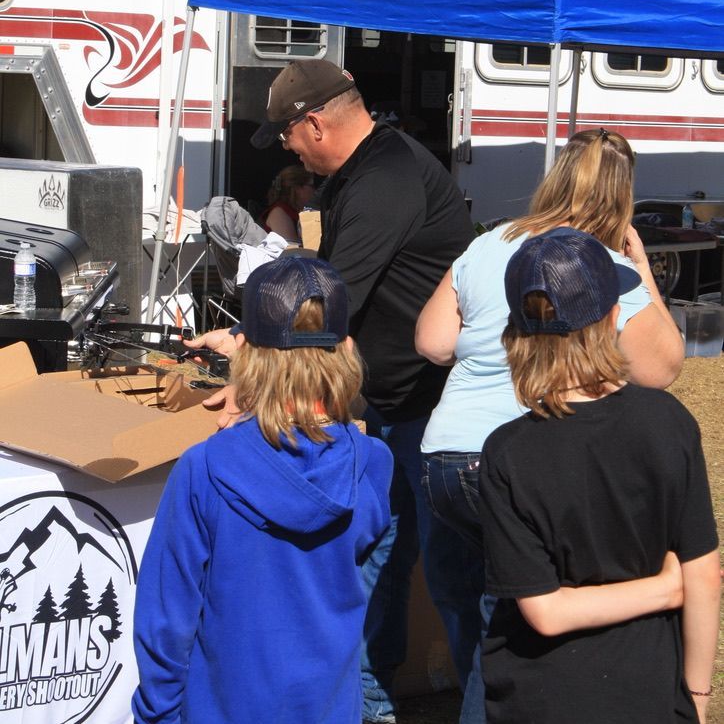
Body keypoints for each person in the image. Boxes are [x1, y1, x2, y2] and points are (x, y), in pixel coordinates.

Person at [191, 58, 475, 724]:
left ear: (314, 122)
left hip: (433, 411)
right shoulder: (361, 173)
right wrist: (247, 340)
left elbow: (321, 299)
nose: (286, 149)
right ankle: (370, 703)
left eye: (286, 135)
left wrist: (247, 357)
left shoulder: (386, 180)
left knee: (451, 577)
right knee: (376, 560)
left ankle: (480, 705)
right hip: (389, 405)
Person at [415, 127, 685, 722]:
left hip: (442, 456)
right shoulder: (601, 265)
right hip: (518, 457)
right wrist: (645, 275)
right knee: (511, 630)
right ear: (622, 196)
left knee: (467, 610)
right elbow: (662, 367)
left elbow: (433, 343)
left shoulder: (490, 241)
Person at [133, 256, 393, 724]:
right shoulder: (372, 463)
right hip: (329, 707)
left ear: (246, 352)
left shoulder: (205, 467)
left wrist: (157, 714)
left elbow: (166, 615)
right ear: (348, 347)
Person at [477, 227, 720, 723]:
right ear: (612, 319)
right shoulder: (669, 422)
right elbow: (702, 574)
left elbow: (544, 609)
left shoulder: (507, 452)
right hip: (649, 690)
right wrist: (697, 692)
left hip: (540, 697)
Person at [258, 163, 315, 243]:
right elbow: (292, 249)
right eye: (311, 186)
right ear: (298, 188)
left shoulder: (297, 211)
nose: (314, 190)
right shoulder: (279, 213)